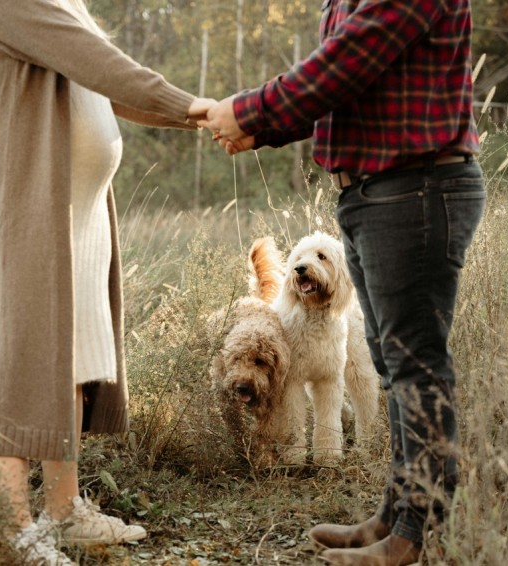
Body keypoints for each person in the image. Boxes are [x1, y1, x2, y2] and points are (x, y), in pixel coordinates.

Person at [201, 0, 485, 564]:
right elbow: (348, 87)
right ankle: (395, 515)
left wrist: (248, 109)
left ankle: (416, 535)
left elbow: (346, 62)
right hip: (372, 192)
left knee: (414, 364)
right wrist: (264, 128)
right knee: (391, 361)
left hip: (416, 187)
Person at [0, 1, 214, 563]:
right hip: (30, 204)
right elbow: (96, 59)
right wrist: (193, 106)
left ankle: (63, 512)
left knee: (70, 360)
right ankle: (14, 529)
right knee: (22, 362)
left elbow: (100, 81)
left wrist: (194, 117)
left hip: (78, 209)